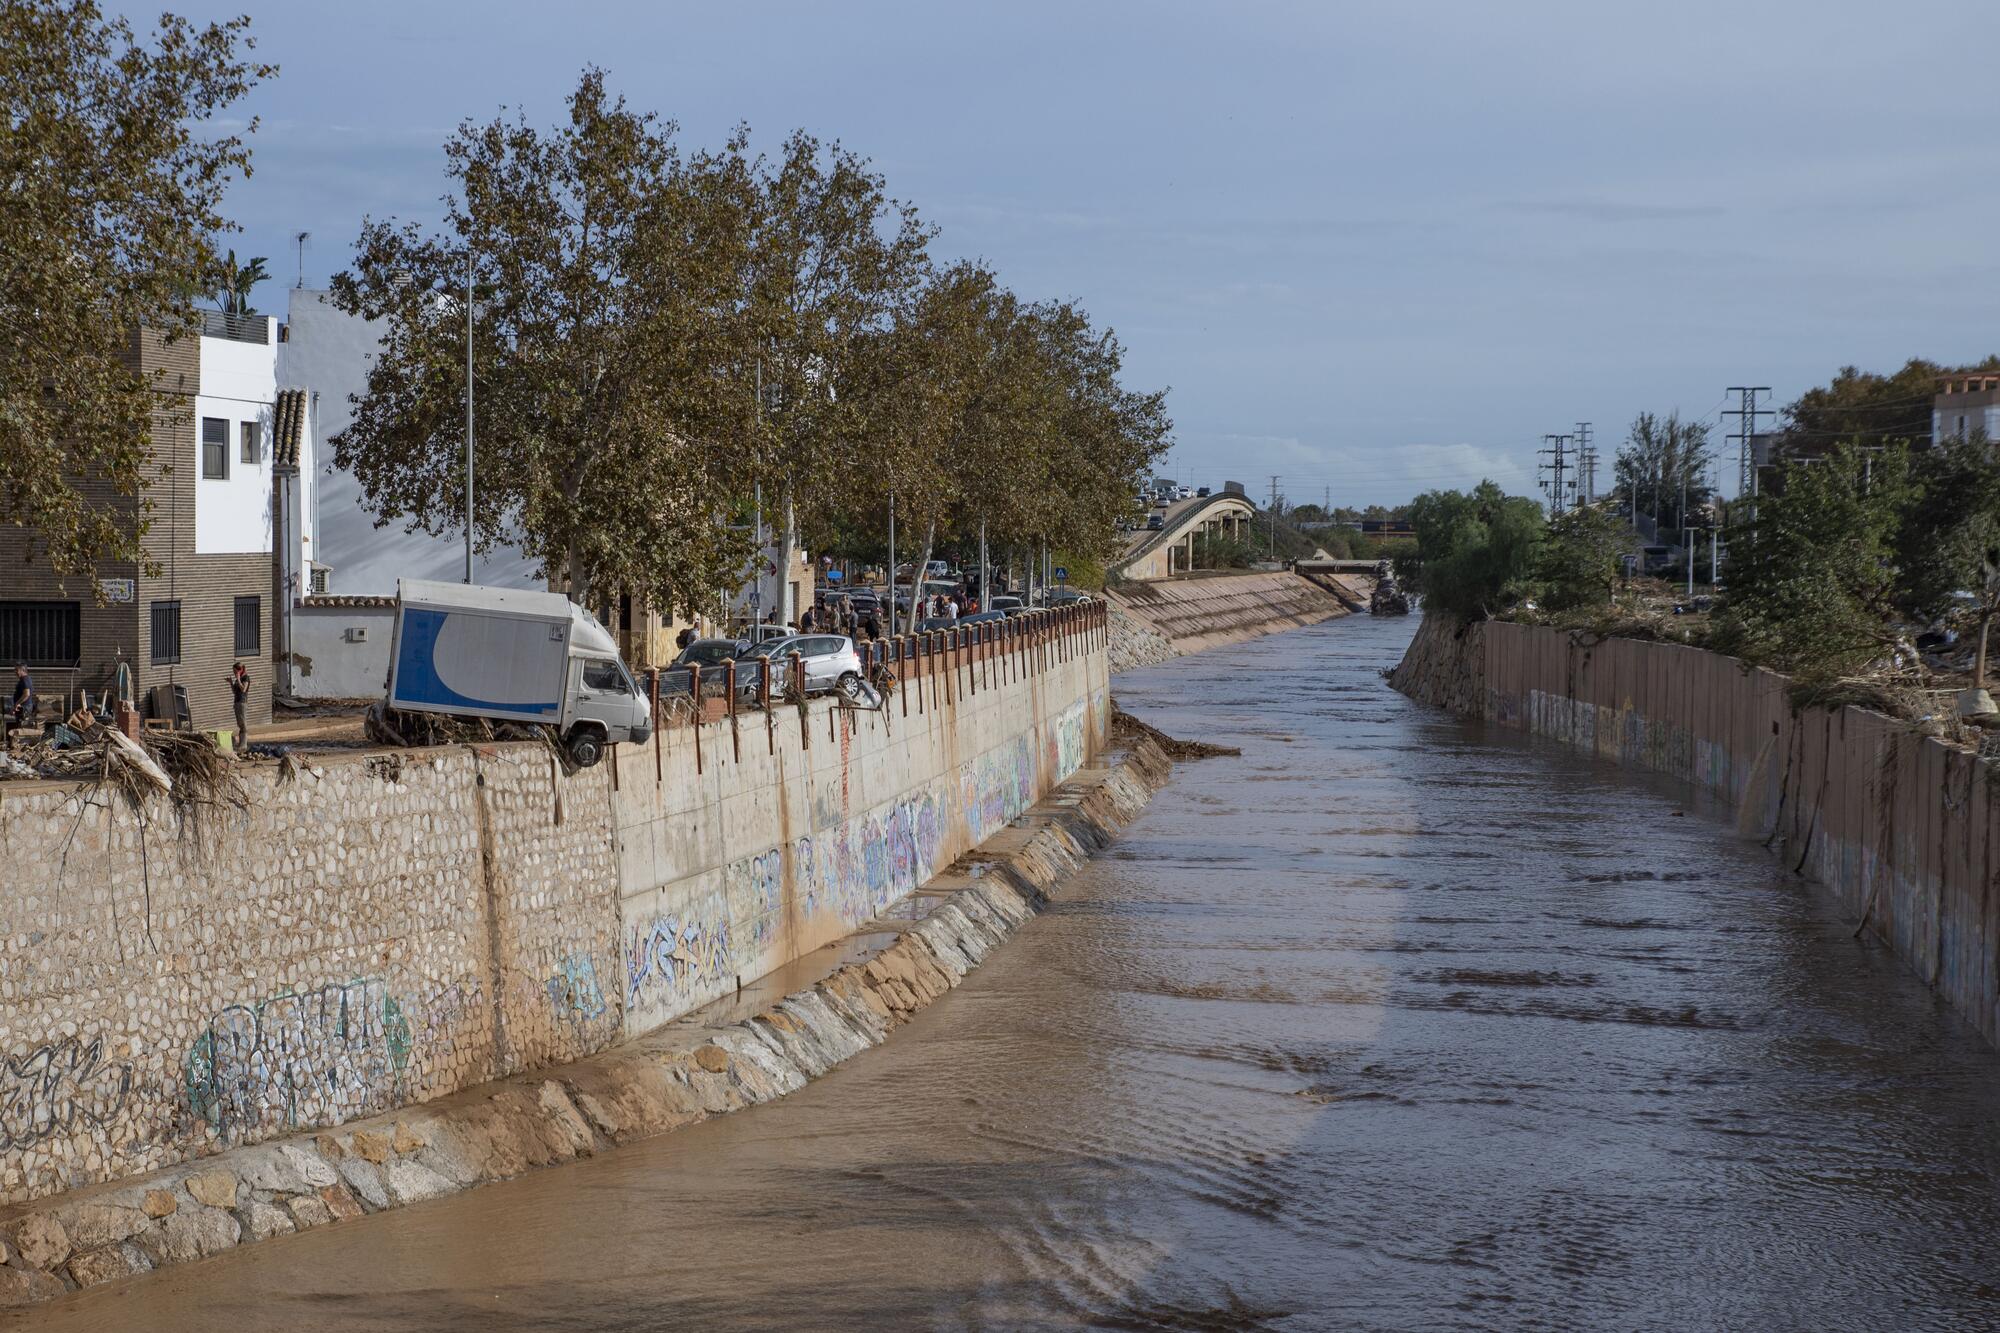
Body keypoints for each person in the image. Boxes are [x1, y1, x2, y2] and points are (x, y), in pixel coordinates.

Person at [7, 663, 33, 741]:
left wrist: (17, 704)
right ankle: (19, 745)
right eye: (14, 670)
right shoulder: (23, 680)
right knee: (20, 727)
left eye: (17, 670)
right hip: (22, 707)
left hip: (24, 708)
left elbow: (26, 694)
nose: (15, 672)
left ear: (23, 670)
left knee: (23, 729)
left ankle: (23, 746)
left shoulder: (25, 680)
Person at [229, 661, 250, 750]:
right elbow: (235, 691)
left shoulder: (245, 678)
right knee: (239, 723)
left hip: (242, 702)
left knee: (243, 723)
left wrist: (238, 679)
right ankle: (241, 744)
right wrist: (230, 682)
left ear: (240, 670)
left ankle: (243, 744)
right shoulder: (238, 678)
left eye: (235, 672)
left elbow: (243, 689)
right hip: (237, 702)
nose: (234, 673)